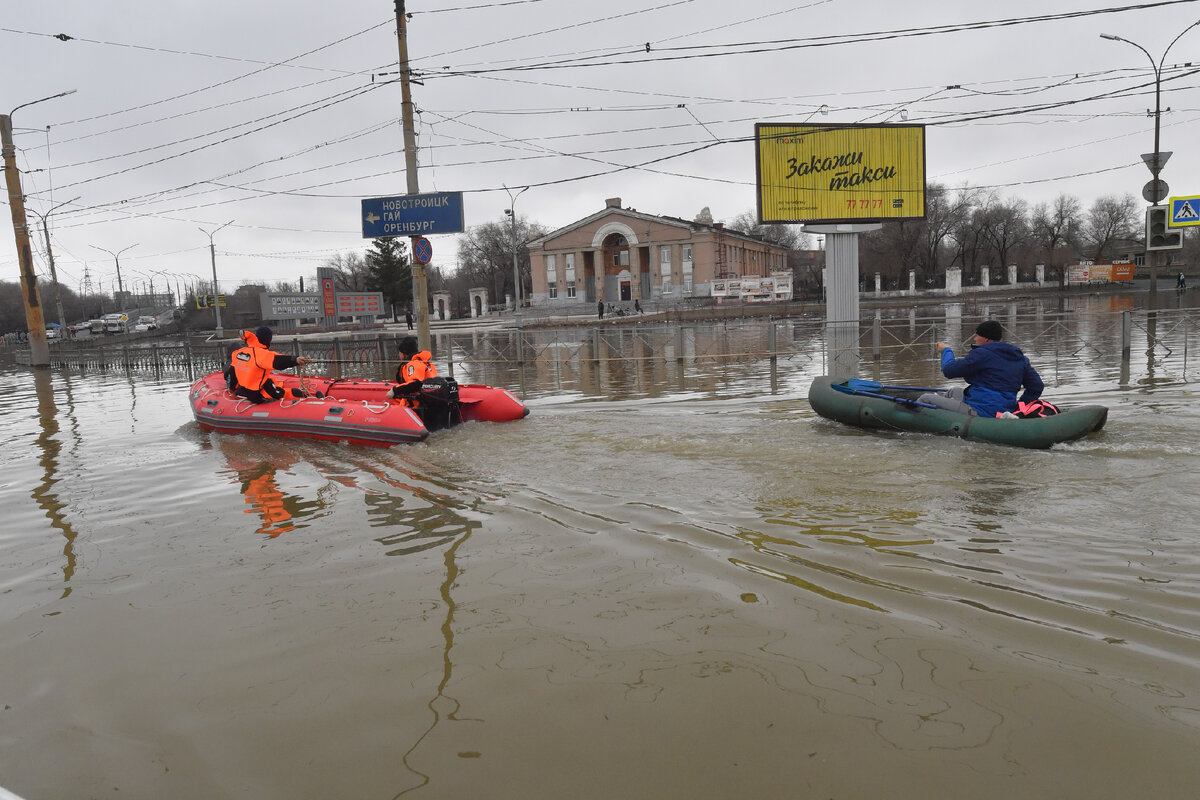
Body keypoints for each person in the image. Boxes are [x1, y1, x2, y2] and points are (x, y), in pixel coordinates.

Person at [930, 320, 1044, 418]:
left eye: (977, 335)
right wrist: (1020, 405)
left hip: (982, 410)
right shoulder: (1021, 359)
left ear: (986, 339)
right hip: (1006, 409)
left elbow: (949, 371)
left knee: (926, 398)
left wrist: (946, 350)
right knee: (954, 391)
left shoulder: (982, 354)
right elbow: (1036, 386)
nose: (975, 339)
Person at [228, 326, 311, 404]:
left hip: (242, 390)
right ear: (268, 340)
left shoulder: (239, 352)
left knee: (269, 382)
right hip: (255, 394)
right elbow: (278, 361)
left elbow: (232, 374)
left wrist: (232, 388)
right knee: (284, 392)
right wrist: (295, 360)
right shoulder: (261, 354)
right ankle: (304, 396)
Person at [386, 336, 437, 404]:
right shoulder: (427, 362)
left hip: (419, 404)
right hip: (430, 399)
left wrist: (395, 390)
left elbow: (415, 384)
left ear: (404, 353)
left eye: (399, 352)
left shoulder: (414, 364)